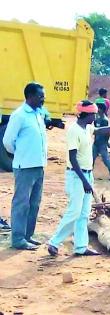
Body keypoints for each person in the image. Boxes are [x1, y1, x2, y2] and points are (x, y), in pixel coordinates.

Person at [47, 100, 110, 256]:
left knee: (83, 213)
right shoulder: (74, 131)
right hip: (77, 176)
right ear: (87, 114)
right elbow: (72, 158)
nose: (96, 116)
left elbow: (100, 130)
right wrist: (84, 181)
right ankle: (54, 242)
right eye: (94, 113)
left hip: (87, 174)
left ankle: (81, 247)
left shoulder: (87, 127)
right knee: (74, 212)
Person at [3, 82, 47, 250]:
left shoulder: (37, 114)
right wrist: (19, 154)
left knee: (34, 203)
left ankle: (28, 236)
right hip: (25, 166)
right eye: (40, 96)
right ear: (29, 96)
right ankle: (18, 239)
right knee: (22, 203)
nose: (43, 99)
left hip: (39, 165)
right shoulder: (19, 115)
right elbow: (8, 141)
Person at [93, 103, 110, 180]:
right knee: (93, 159)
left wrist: (106, 142)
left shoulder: (104, 120)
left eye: (98, 108)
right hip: (97, 143)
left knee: (106, 160)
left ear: (101, 110)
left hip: (101, 143)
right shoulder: (97, 119)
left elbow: (106, 133)